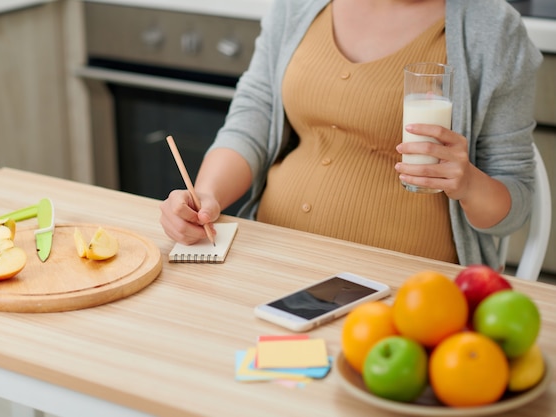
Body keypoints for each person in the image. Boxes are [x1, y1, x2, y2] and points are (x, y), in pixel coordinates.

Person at [159, 0, 542, 269]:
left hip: (406, 290)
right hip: (271, 259)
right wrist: (206, 195)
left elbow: (516, 205)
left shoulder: (493, 30)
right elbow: (253, 117)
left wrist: (469, 183)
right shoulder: (299, 7)